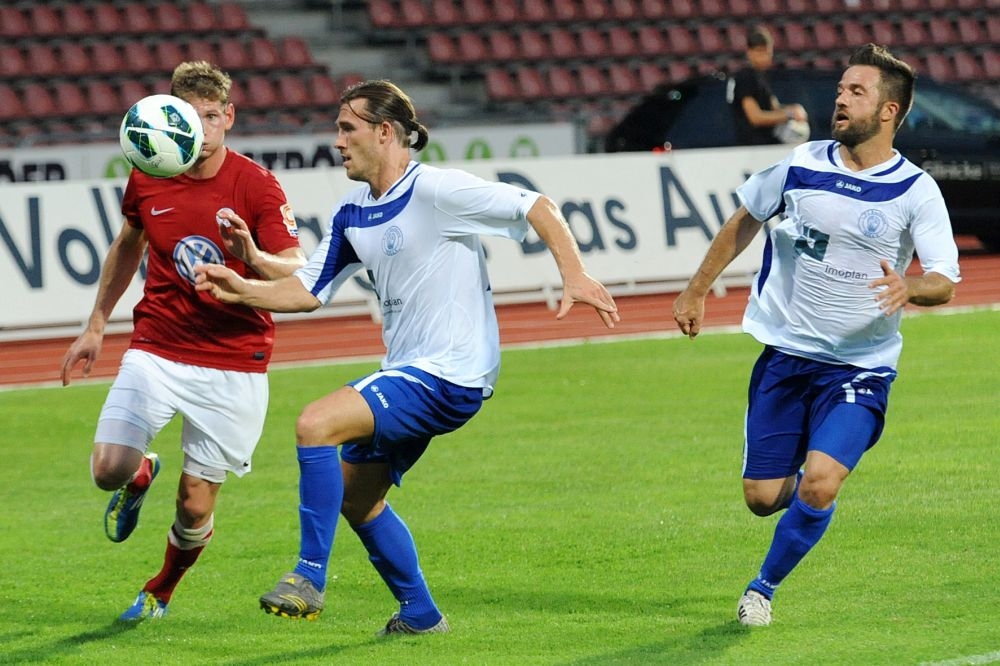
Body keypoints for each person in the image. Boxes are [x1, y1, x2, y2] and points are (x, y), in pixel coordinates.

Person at [194, 79, 620, 636]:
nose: (337, 141)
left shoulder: (437, 190)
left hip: (450, 372)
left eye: (347, 128)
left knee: (315, 424)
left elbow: (535, 205)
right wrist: (246, 278)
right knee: (355, 498)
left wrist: (574, 273)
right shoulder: (352, 211)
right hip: (410, 371)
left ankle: (309, 576)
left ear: (385, 132)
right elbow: (309, 289)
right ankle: (420, 615)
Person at [672, 44, 960, 626]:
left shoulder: (915, 189)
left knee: (821, 484)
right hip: (787, 358)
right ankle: (809, 489)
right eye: (841, 89)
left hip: (860, 368)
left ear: (889, 111)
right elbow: (746, 217)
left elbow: (944, 280)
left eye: (857, 91)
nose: (840, 99)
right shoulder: (802, 162)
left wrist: (910, 288)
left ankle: (761, 590)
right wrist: (697, 289)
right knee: (761, 498)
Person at [60, 61, 306, 622]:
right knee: (107, 469)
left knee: (195, 507)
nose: (202, 129)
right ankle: (138, 473)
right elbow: (129, 243)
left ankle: (161, 589)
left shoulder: (256, 185)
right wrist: (96, 324)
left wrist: (251, 257)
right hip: (158, 344)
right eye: (189, 118)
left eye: (212, 116)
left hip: (234, 359)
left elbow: (297, 266)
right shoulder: (149, 172)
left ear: (230, 117)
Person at [728, 25, 809, 145]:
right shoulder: (745, 77)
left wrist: (793, 109)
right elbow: (755, 117)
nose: (764, 57)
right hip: (753, 146)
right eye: (759, 51)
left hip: (767, 143)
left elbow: (774, 107)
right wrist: (789, 114)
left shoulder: (761, 77)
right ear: (749, 52)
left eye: (766, 52)